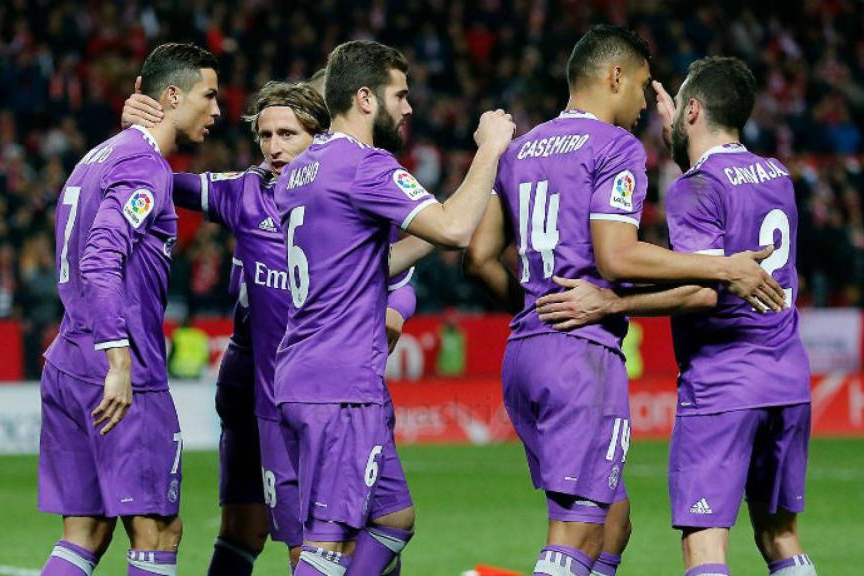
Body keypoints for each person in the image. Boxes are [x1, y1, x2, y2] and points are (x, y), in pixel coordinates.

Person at [463, 26, 785, 576]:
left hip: (525, 353)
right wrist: (720, 265)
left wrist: (535, 302)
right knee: (577, 530)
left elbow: (479, 256)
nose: (642, 103)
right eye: (640, 86)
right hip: (578, 356)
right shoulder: (614, 147)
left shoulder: (520, 150)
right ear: (614, 77)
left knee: (614, 520)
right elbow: (616, 258)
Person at [122, 79, 420, 575]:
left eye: (288, 135)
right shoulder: (246, 192)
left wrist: (395, 310)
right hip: (270, 395)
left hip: (341, 388)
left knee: (379, 526)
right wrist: (137, 137)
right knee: (298, 542)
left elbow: (402, 268)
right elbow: (170, 182)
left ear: (320, 136)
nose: (275, 148)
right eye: (266, 136)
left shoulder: (348, 185)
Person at [536, 56, 815, 576]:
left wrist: (614, 301)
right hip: (789, 378)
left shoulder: (694, 187)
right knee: (781, 536)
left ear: (691, 110)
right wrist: (680, 142)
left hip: (724, 385)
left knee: (704, 544)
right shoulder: (777, 175)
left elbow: (703, 292)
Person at [273, 39, 515, 575]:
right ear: (365, 98)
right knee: (327, 546)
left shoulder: (301, 171)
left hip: (302, 374)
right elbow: (453, 229)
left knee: (394, 517)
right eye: (399, 95)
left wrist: (443, 218)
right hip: (341, 386)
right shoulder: (366, 165)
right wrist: (490, 149)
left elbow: (365, 264)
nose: (408, 107)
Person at [37, 42, 220, 576]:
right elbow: (101, 258)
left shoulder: (98, 155)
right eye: (208, 97)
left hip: (68, 361)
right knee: (158, 529)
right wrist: (119, 360)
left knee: (86, 531)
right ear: (171, 96)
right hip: (121, 370)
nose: (216, 110)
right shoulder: (145, 168)